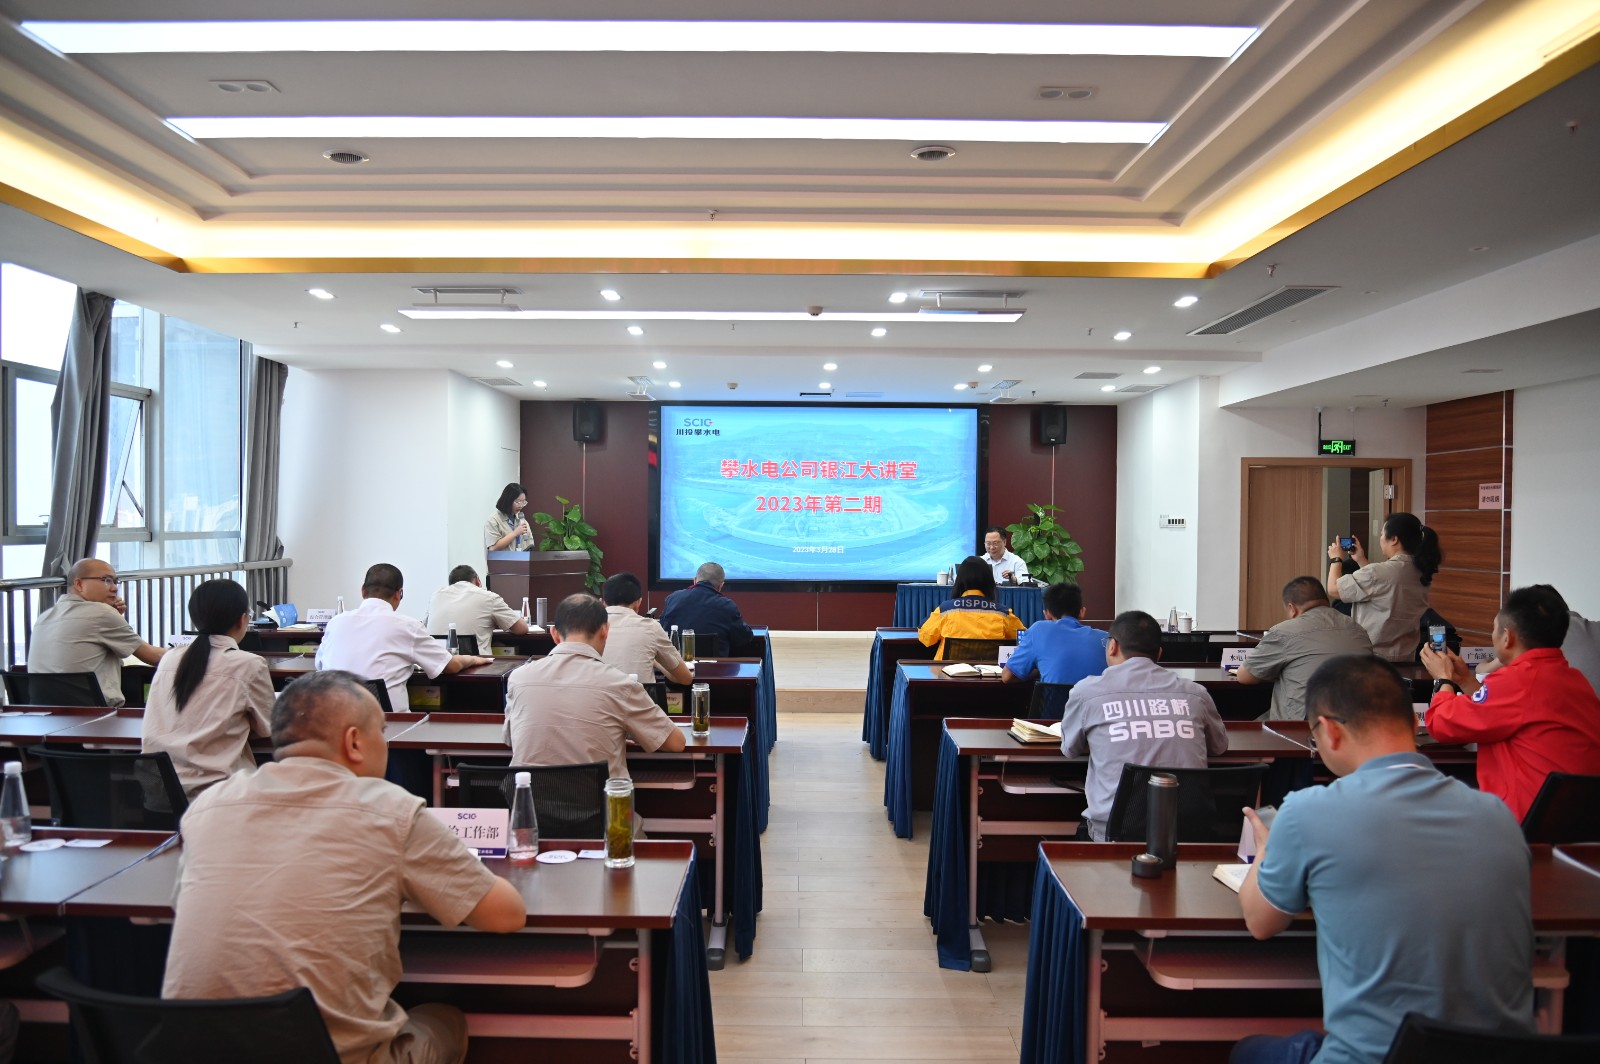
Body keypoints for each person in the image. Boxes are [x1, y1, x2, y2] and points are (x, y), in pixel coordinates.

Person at [163, 670, 526, 1064]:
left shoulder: (209, 805)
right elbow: (505, 915)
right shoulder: (388, 808)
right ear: (354, 741)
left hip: (192, 1052)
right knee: (445, 1020)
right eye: (381, 732)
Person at [1234, 656, 1533, 1064]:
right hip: (1504, 1056)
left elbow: (1260, 922)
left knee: (1249, 1052)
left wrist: (1267, 849)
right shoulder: (1498, 815)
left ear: (1330, 731)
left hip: (1370, 1058)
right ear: (1412, 723)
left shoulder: (1308, 812)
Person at [1421, 584, 1600, 821]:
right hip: (1576, 820)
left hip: (1527, 824)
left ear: (1507, 637)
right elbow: (1500, 711)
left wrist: (1443, 679)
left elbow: (1442, 724)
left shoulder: (1517, 681)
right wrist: (1465, 681)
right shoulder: (1573, 679)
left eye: (1494, 629)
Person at [1059, 610, 1227, 841]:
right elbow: (1219, 747)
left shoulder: (1086, 692)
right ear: (1159, 653)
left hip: (1115, 835)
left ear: (1112, 647)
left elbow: (1070, 749)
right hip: (1188, 834)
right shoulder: (1196, 694)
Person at [504, 594, 685, 778]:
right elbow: (676, 743)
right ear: (605, 631)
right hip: (598, 797)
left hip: (526, 796)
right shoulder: (620, 684)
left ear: (554, 634)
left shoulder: (518, 679)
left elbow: (511, 738)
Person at [141, 579, 273, 798]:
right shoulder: (249, 664)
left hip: (161, 792)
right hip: (219, 795)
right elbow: (267, 728)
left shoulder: (169, 658)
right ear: (243, 619)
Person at [316, 563, 491, 711]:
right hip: (390, 729)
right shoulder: (407, 626)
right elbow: (450, 666)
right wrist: (473, 659)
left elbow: (320, 665)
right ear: (399, 594)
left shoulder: (336, 622)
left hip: (336, 724)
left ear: (363, 591)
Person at [27, 558, 164, 706]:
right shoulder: (102, 613)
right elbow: (153, 657)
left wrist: (115, 616)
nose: (114, 588)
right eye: (106, 580)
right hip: (96, 714)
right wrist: (184, 652)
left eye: (115, 581)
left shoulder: (43, 617)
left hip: (45, 713)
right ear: (79, 584)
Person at [1235, 576, 1373, 721]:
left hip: (1306, 724)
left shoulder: (1285, 631)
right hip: (1358, 719)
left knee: (1248, 725)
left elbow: (1245, 677)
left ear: (1292, 608)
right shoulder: (1358, 629)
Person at [1326, 512, 1441, 661]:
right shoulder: (1419, 571)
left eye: (1382, 534)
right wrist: (1361, 560)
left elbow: (1334, 589)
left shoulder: (1378, 572)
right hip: (1405, 657)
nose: (1380, 539)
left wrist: (1336, 559)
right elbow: (1381, 587)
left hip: (1373, 658)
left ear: (1394, 539)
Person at [917, 556, 1025, 660]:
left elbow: (926, 638)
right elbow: (1024, 639)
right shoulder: (1003, 613)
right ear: (989, 581)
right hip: (990, 672)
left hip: (948, 671)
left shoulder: (945, 610)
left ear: (959, 581)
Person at [1000, 581, 1105, 686]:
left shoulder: (1038, 630)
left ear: (1047, 614)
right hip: (1094, 697)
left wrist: (1039, 668)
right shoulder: (1105, 639)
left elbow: (1007, 676)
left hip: (1054, 698)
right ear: (1082, 612)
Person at [600, 572, 692, 685]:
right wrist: (656, 663)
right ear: (638, 603)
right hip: (639, 696)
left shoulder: (588, 628)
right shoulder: (651, 627)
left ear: (602, 602)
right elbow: (685, 678)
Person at [426, 564, 529, 657]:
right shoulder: (488, 597)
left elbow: (425, 627)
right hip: (476, 667)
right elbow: (521, 629)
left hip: (439, 666)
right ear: (478, 580)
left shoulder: (435, 596)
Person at [658, 561, 755, 657]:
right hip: (716, 666)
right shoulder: (727, 606)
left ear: (695, 580)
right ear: (721, 586)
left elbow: (661, 630)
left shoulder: (673, 598)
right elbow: (744, 638)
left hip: (677, 664)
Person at [484, 482, 534, 554]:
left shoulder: (521, 520)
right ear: (508, 500)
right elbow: (493, 548)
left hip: (520, 560)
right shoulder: (493, 520)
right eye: (517, 501)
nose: (521, 505)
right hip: (501, 561)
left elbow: (529, 545)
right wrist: (515, 533)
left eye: (523, 502)